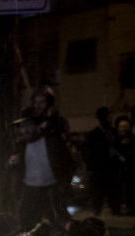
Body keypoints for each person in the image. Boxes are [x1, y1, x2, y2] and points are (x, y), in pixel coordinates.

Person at [9, 89, 73, 228]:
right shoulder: (25, 135)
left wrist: (64, 181)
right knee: (25, 219)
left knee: (57, 218)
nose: (38, 106)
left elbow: (65, 157)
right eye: (35, 102)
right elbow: (17, 155)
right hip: (30, 184)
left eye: (42, 102)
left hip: (51, 183)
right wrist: (14, 162)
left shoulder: (54, 128)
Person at [82, 107, 116, 216]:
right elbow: (87, 151)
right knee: (98, 191)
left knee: (112, 189)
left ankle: (114, 208)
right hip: (99, 168)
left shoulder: (113, 132)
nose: (110, 118)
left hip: (112, 167)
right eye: (108, 116)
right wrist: (90, 166)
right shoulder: (93, 134)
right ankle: (97, 209)